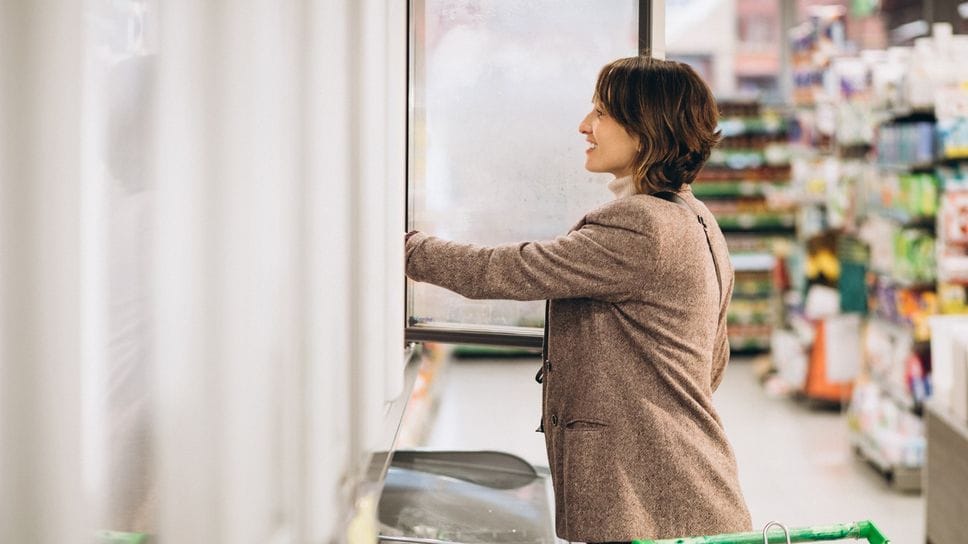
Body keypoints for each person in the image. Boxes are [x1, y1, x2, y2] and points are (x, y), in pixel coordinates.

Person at [405, 56, 752, 542]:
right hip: (687, 485)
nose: (584, 126)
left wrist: (407, 248)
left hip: (649, 496)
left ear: (645, 129)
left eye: (601, 113)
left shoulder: (641, 226)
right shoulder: (697, 219)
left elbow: (511, 270)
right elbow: (711, 362)